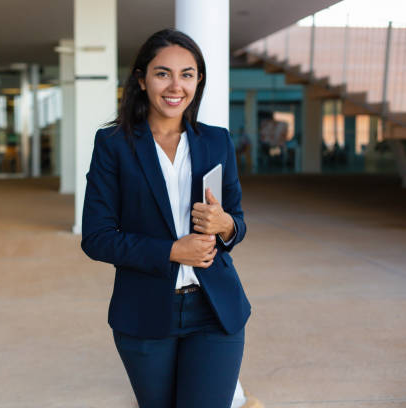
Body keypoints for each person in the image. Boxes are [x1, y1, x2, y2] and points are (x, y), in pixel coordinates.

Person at [81, 29, 250, 408]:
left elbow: (236, 220)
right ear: (141, 80)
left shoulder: (217, 141)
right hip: (145, 312)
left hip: (216, 309)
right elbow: (97, 237)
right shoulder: (113, 146)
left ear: (198, 80)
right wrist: (173, 250)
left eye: (187, 74)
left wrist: (226, 225)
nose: (176, 86)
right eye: (163, 73)